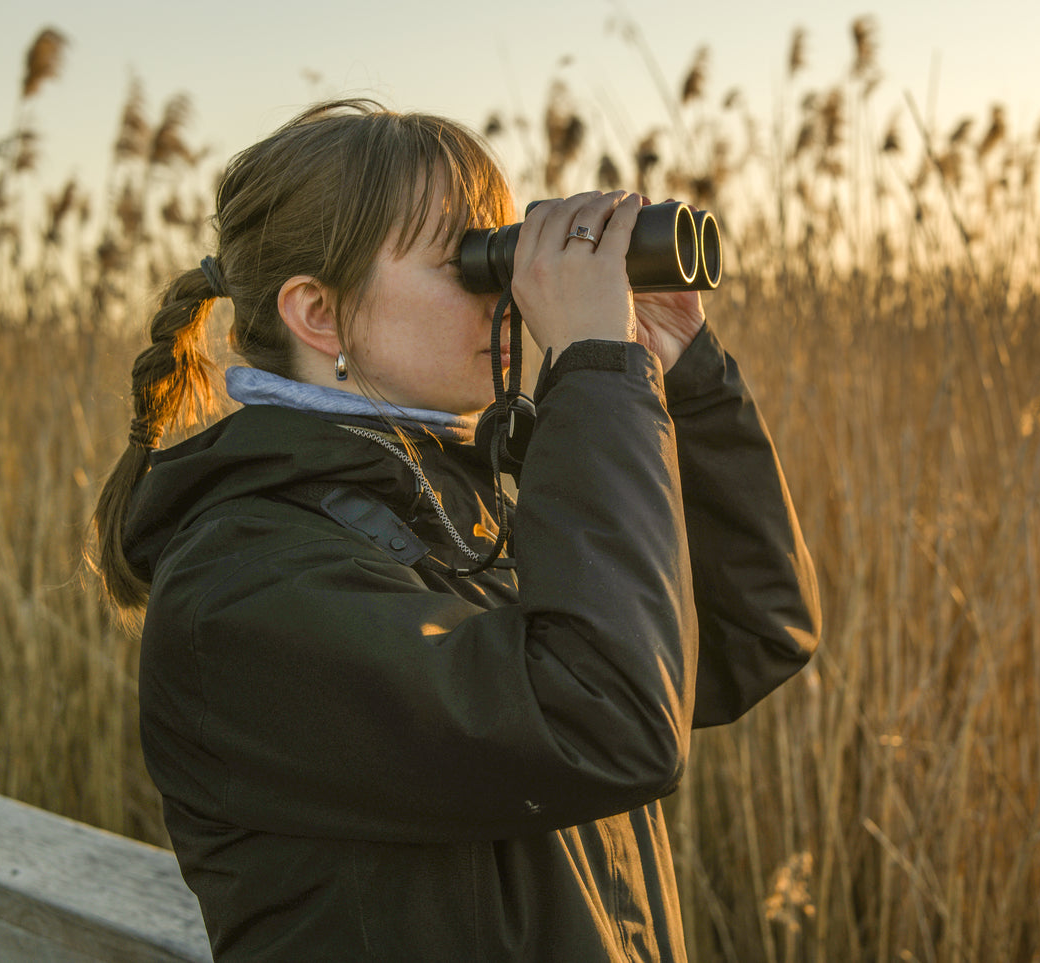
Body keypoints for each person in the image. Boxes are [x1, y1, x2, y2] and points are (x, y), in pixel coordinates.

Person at [88, 98, 820, 961]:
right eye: (468, 261)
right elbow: (606, 719)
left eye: (499, 250)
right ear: (318, 313)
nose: (506, 294)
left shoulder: (446, 511)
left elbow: (751, 632)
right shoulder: (247, 587)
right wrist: (593, 373)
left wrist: (678, 371)